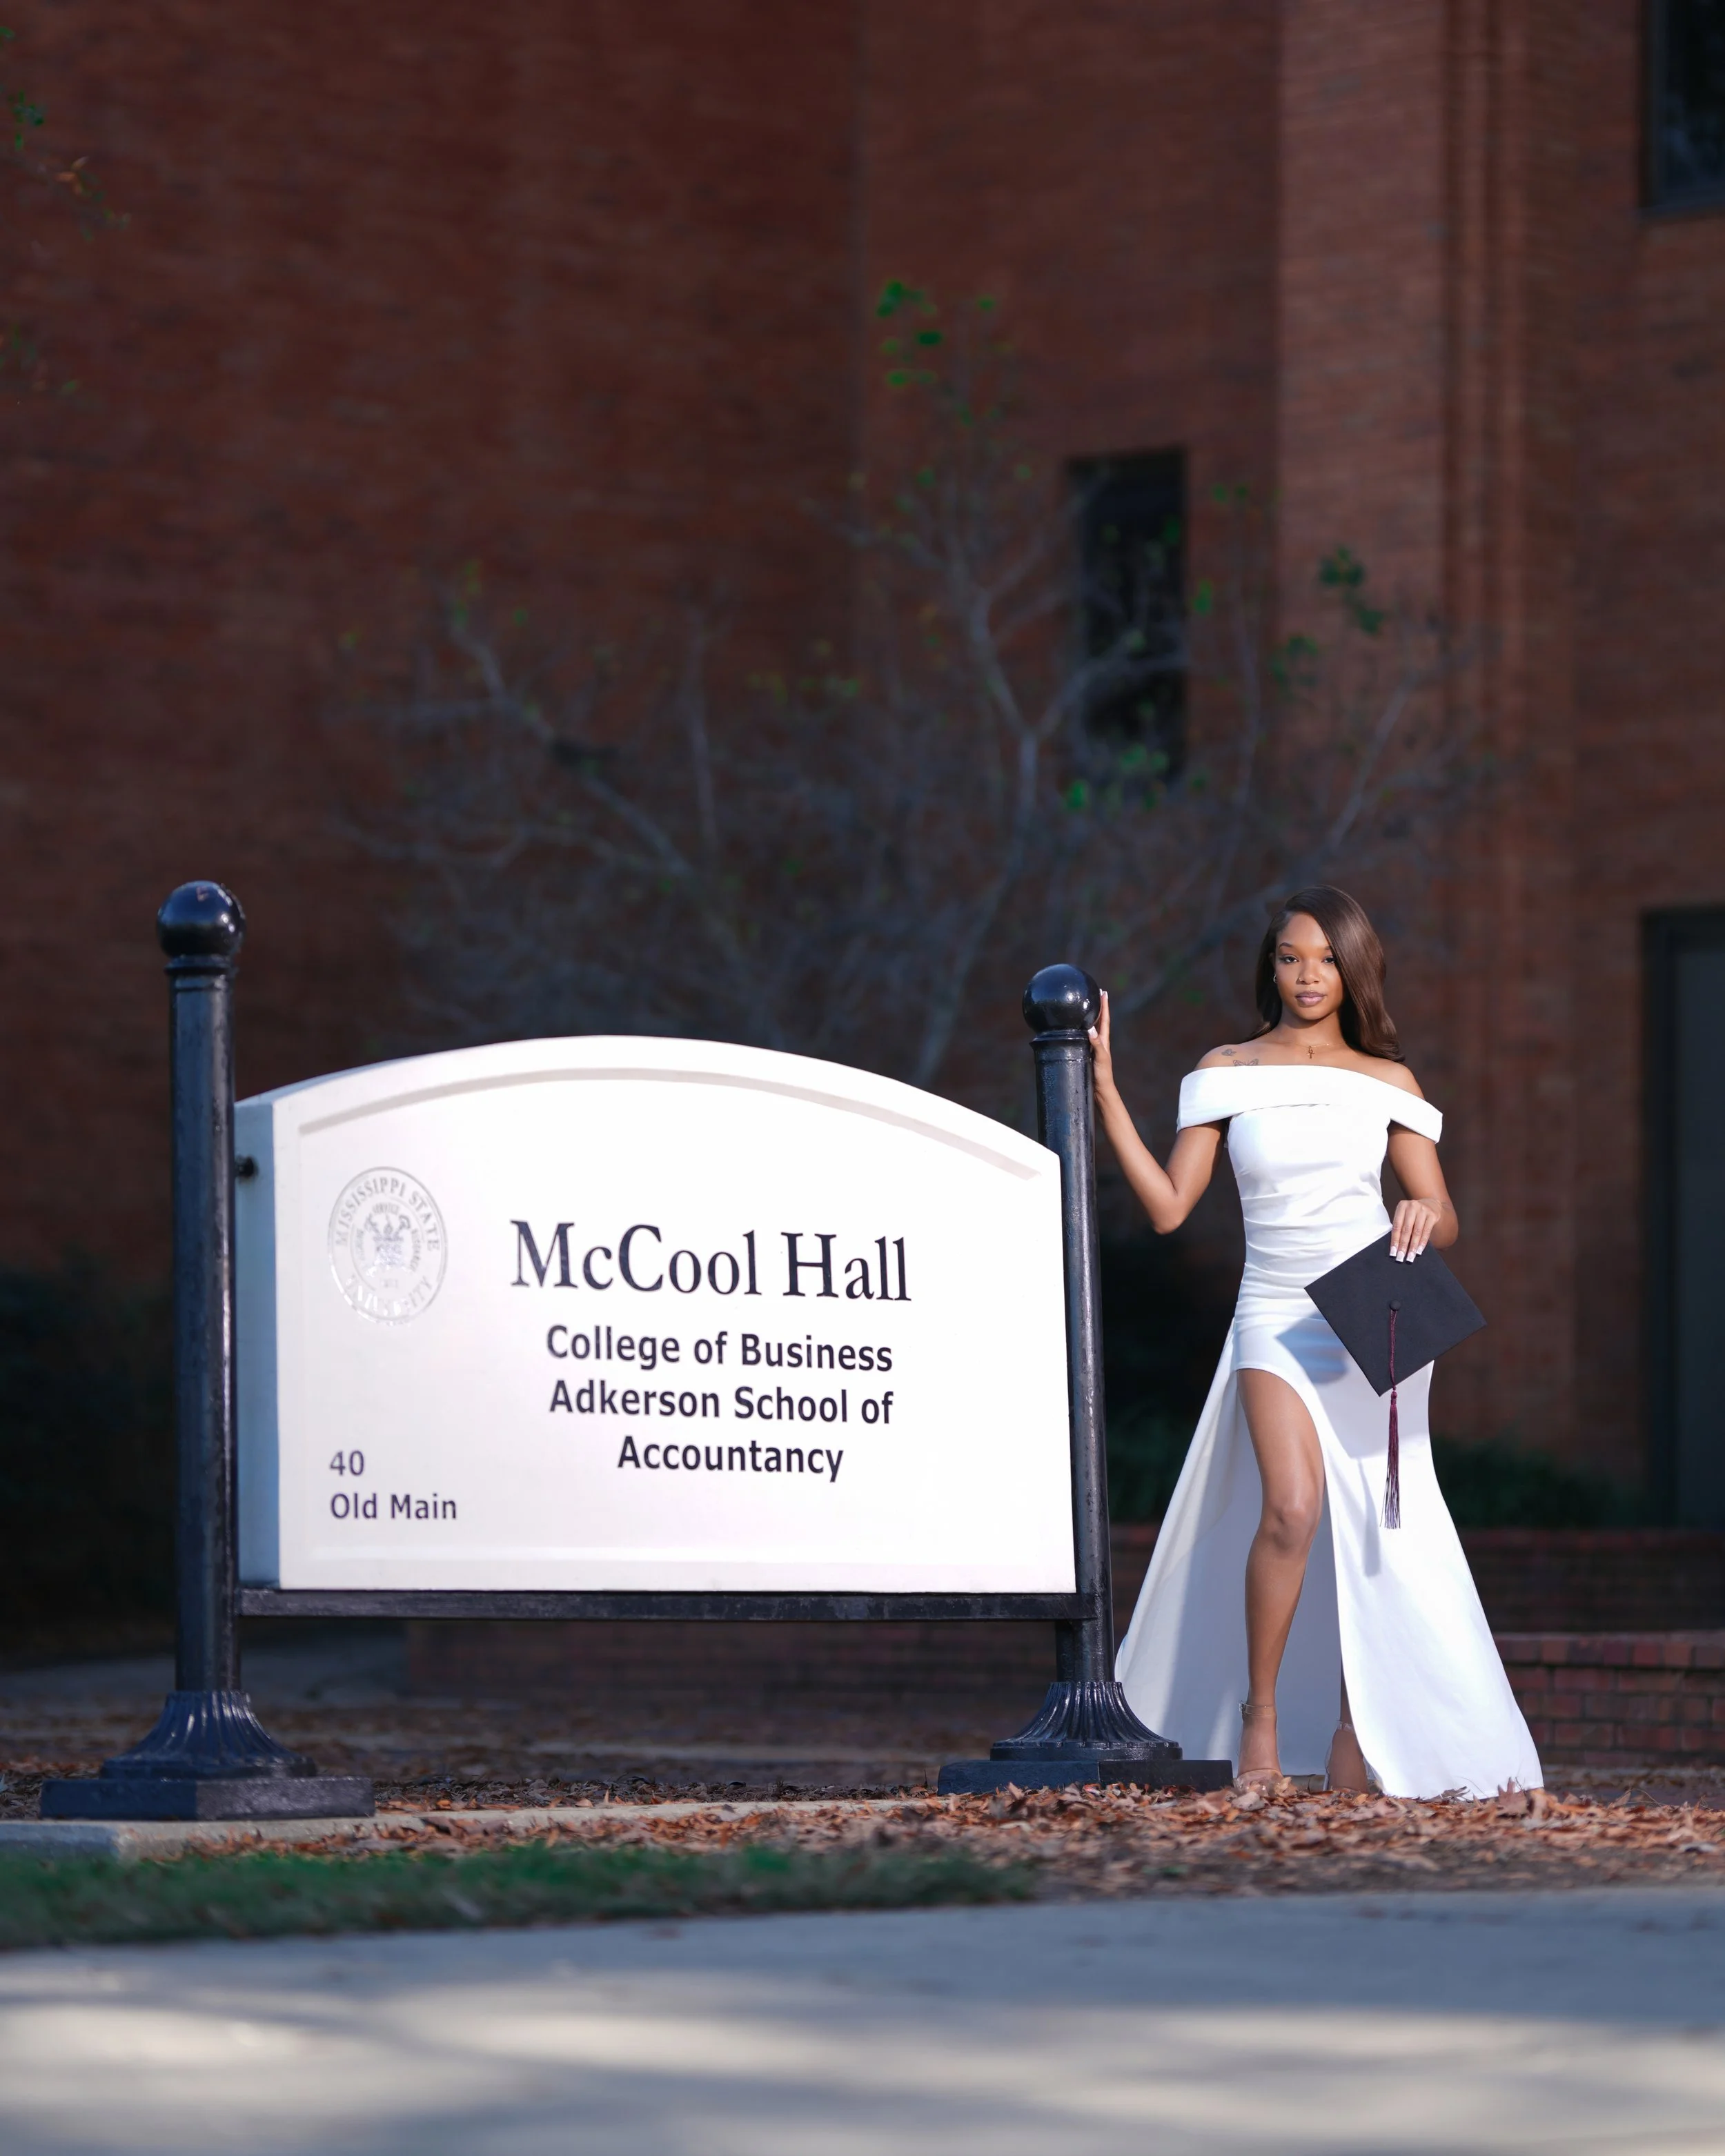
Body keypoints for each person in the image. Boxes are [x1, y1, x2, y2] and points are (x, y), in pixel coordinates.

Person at [1093, 885, 1541, 1799]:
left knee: (1372, 1530)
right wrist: (1102, 1088)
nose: (1308, 974)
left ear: (1353, 968)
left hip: (1370, 1312)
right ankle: (1259, 1718)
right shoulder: (1224, 1071)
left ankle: (1355, 1731)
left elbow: (1443, 1216)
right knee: (1292, 1510)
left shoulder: (1390, 1083)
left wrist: (1421, 1210)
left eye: (1326, 959)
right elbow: (1171, 1209)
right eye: (1292, 957)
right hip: (1272, 1311)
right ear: (1271, 966)